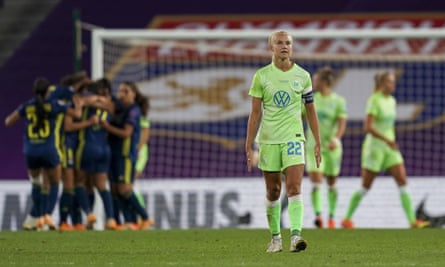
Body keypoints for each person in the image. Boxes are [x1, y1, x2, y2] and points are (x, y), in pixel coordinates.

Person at [245, 30, 321, 253]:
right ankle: (275, 238)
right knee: (273, 190)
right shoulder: (261, 76)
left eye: (288, 43)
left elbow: (311, 110)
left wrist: (317, 140)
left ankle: (296, 236)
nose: (284, 46)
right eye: (279, 43)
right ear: (271, 47)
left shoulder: (303, 76)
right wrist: (249, 143)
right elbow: (255, 113)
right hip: (268, 140)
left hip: (294, 137)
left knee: (295, 187)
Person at [341, 71, 429, 229]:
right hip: (374, 148)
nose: (392, 84)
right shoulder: (374, 100)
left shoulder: (392, 101)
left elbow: (387, 126)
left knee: (402, 181)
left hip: (390, 148)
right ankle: (346, 219)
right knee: (365, 186)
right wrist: (387, 140)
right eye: (389, 81)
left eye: (393, 81)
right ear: (382, 83)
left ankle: (412, 221)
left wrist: (390, 141)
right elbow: (368, 127)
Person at [4, 77, 83, 230]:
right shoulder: (53, 105)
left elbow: (8, 121)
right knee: (54, 183)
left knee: (37, 184)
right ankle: (47, 215)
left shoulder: (27, 106)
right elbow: (76, 115)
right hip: (49, 150)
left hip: (30, 151)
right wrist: (78, 105)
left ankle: (38, 217)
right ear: (48, 91)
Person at [101, 81, 155, 230]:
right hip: (114, 154)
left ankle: (145, 217)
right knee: (115, 190)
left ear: (133, 94)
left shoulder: (134, 110)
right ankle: (124, 222)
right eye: (120, 91)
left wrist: (107, 127)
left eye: (125, 91)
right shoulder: (120, 110)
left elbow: (126, 133)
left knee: (124, 189)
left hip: (126, 155)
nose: (122, 95)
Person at [304, 67, 347, 229]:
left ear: (323, 82)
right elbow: (300, 116)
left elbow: (342, 124)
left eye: (315, 80)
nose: (313, 83)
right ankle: (318, 216)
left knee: (331, 183)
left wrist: (336, 139)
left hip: (332, 148)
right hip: (313, 147)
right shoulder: (311, 100)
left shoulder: (338, 101)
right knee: (316, 182)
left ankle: (331, 217)